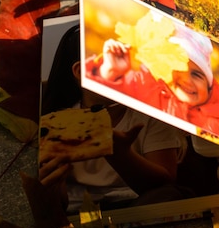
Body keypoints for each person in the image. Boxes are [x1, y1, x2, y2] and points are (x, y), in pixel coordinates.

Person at [39, 24, 189, 212]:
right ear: (81, 72)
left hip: (138, 204)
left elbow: (166, 182)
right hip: (78, 210)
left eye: (130, 60)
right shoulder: (58, 122)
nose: (124, 68)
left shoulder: (149, 115)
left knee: (168, 195)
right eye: (113, 59)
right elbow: (56, 194)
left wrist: (121, 154)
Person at [85, 20, 219, 147]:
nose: (187, 80)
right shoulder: (147, 86)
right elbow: (100, 97)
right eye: (178, 68)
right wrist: (110, 71)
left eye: (197, 75)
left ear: (209, 85)